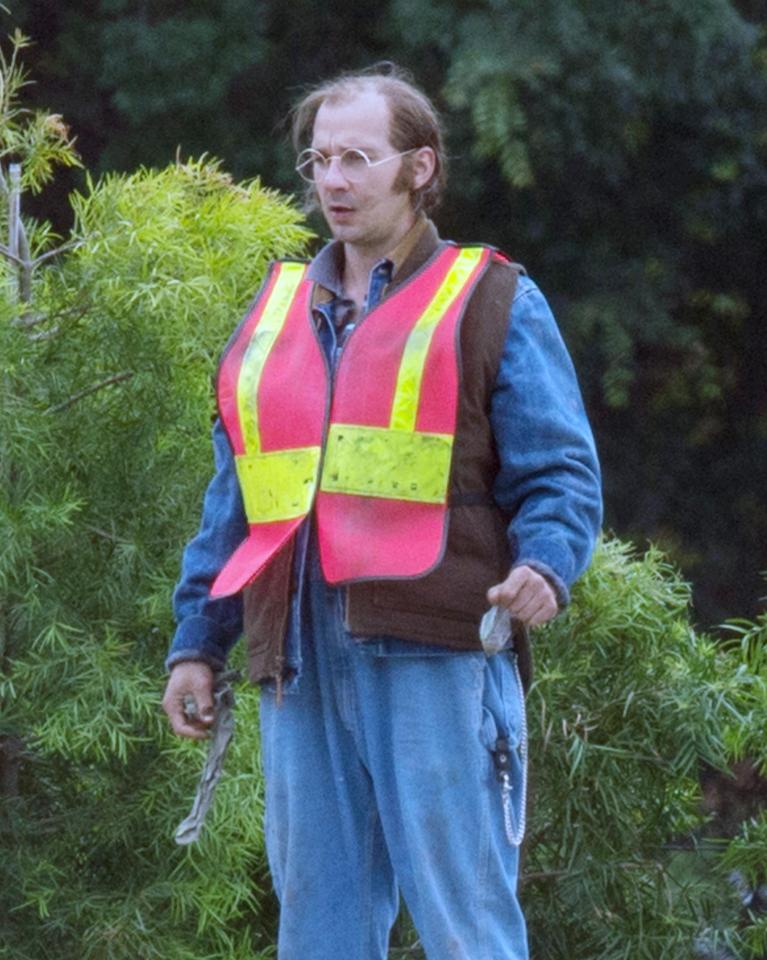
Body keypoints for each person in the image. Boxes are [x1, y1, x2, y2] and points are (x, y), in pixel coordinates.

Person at [162, 64, 602, 960]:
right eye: (318, 159)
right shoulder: (276, 310)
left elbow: (559, 472)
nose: (332, 179)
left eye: (357, 157)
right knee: (318, 929)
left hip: (434, 648)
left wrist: (546, 565)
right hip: (296, 655)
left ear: (418, 167)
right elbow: (238, 504)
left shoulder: (490, 299)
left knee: (465, 923)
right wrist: (195, 645)